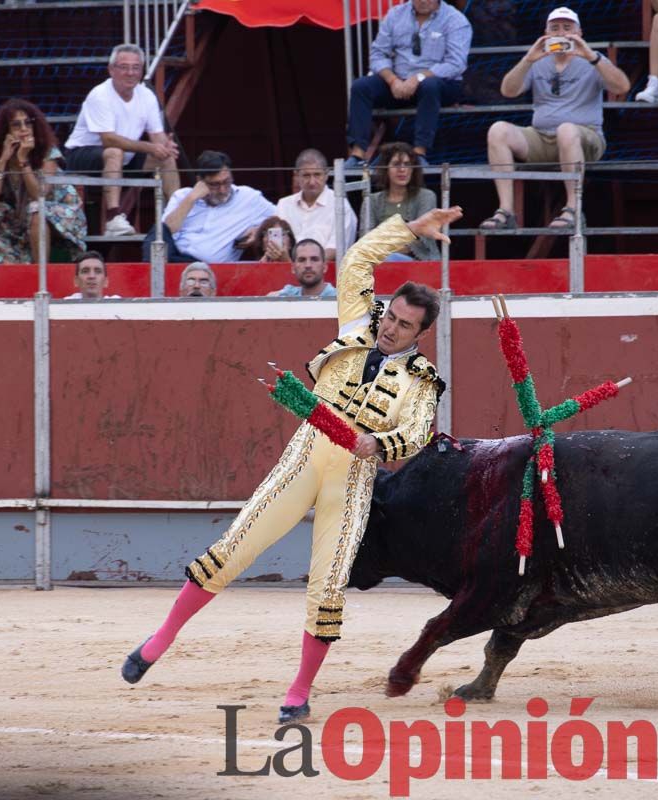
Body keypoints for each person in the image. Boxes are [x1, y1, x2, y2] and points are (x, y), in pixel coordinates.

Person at [122, 206, 460, 725]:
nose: (390, 328)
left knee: (326, 588)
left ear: (422, 332)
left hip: (351, 480)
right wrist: (410, 230)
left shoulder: (422, 378)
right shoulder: (358, 321)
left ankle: (299, 690)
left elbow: (416, 432)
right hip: (306, 455)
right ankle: (159, 639)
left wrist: (380, 444)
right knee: (236, 546)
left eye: (404, 325)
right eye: (390, 316)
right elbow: (355, 260)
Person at [479, 7, 630, 230]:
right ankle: (506, 211)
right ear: (546, 33)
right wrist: (528, 59)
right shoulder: (538, 60)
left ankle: (573, 209)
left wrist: (591, 55)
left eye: (567, 28)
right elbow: (508, 91)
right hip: (542, 137)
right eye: (555, 28)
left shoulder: (594, 60)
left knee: (566, 129)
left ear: (579, 32)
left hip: (584, 137)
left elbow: (622, 87)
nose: (561, 33)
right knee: (498, 129)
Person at [64, 44, 180, 237]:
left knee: (165, 157)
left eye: (135, 68)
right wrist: (149, 146)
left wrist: (165, 146)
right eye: (124, 67)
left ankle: (175, 215)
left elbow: (157, 136)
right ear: (111, 70)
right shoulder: (100, 94)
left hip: (124, 159)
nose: (130, 73)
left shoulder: (146, 95)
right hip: (82, 156)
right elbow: (108, 139)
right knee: (114, 152)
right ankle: (113, 219)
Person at [343, 0, 471, 170]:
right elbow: (377, 54)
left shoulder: (456, 20)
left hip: (440, 82)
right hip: (398, 81)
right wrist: (392, 80)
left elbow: (456, 64)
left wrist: (419, 77)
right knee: (361, 87)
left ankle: (419, 153)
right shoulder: (395, 15)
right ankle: (357, 155)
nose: (423, 1)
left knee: (430, 86)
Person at [0, 98, 87, 264]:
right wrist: (3, 160)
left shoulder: (47, 150)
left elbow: (39, 194)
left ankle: (38, 273)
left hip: (60, 212)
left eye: (28, 123)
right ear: (6, 130)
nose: (23, 129)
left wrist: (23, 161)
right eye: (16, 125)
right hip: (22, 215)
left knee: (36, 208)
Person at [143, 150, 276, 264]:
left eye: (227, 182)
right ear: (200, 181)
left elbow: (283, 217)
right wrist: (191, 198)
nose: (223, 190)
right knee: (156, 232)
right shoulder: (182, 196)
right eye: (215, 185)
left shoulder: (248, 197)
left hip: (213, 269)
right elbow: (166, 230)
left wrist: (259, 230)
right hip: (175, 260)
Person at [360, 142, 439, 260]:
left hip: (420, 263)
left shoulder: (426, 196)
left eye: (407, 164)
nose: (402, 169)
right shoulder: (371, 200)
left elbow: (421, 238)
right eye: (396, 164)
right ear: (385, 168)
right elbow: (365, 239)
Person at [275, 149, 356, 261]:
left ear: (326, 175)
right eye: (306, 175)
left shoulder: (340, 205)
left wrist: (300, 266)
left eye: (317, 175)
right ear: (297, 175)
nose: (312, 182)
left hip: (328, 274)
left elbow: (336, 250)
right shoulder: (284, 205)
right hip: (284, 272)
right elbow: (276, 244)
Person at [268, 239, 337, 297]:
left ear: (325, 267)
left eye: (314, 259)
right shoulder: (288, 294)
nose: (308, 265)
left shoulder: (340, 299)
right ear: (293, 268)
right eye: (302, 260)